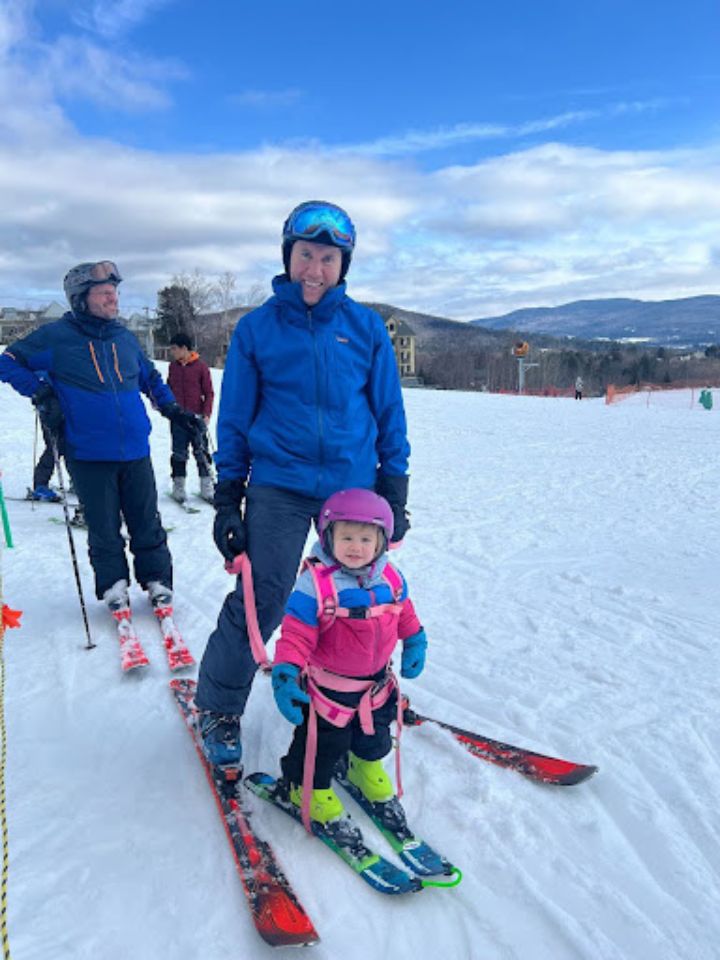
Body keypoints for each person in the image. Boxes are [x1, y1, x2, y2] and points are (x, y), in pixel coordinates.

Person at [195, 200, 411, 768]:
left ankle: (351, 695)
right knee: (264, 597)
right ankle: (218, 706)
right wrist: (228, 498)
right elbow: (234, 419)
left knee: (360, 597)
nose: (315, 269)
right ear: (288, 257)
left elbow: (389, 411)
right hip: (280, 485)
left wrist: (395, 487)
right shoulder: (256, 330)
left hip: (352, 490)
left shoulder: (365, 328)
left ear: (343, 266)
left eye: (328, 259)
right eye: (306, 255)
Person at [0, 260, 204, 611]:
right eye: (105, 293)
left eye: (115, 292)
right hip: (87, 451)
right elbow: (7, 362)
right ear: (81, 298)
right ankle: (113, 585)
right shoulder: (56, 337)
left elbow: (151, 379)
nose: (114, 299)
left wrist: (173, 409)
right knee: (103, 526)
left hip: (135, 449)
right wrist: (41, 393)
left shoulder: (124, 338)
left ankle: (157, 578)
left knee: (146, 521)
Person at [270, 489, 427, 829]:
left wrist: (415, 639)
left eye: (365, 539)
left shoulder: (391, 578)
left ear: (381, 542)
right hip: (329, 691)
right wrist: (285, 671)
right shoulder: (314, 586)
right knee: (323, 742)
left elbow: (403, 611)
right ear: (329, 537)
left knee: (375, 734)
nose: (356, 547)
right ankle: (304, 786)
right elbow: (296, 634)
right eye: (346, 537)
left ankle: (363, 767)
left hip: (376, 686)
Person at [166, 332, 215, 503]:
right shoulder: (173, 367)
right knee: (179, 453)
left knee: (201, 452)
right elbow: (168, 389)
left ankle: (206, 486)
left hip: (197, 418)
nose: (172, 352)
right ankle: (178, 486)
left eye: (174, 348)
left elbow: (209, 393)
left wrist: (206, 414)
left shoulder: (201, 367)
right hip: (178, 418)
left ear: (184, 348)